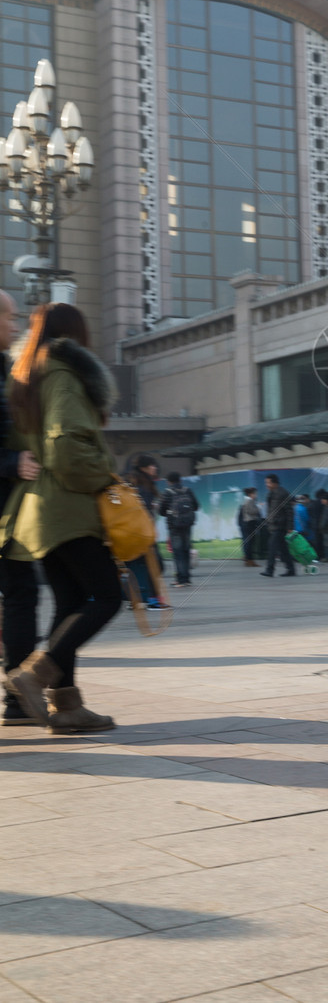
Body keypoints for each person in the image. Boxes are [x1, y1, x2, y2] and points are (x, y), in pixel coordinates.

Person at [2, 302, 120, 732]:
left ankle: (67, 707)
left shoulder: (25, 375)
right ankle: (34, 676)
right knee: (108, 596)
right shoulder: (63, 374)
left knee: (69, 604)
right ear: (74, 334)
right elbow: (65, 448)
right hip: (65, 506)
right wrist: (104, 476)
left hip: (36, 512)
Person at [0, 291, 41, 726]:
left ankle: (18, 698)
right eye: (9, 318)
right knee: (20, 594)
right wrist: (13, 462)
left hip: (8, 510)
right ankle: (17, 697)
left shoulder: (6, 369)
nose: (15, 327)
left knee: (21, 592)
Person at [124, 453, 166, 609]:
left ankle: (137, 599)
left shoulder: (130, 482)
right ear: (144, 468)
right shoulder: (144, 485)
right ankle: (152, 599)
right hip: (142, 533)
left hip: (130, 532)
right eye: (152, 465)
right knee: (155, 565)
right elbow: (143, 511)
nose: (155, 468)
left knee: (137, 566)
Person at [158, 471, 199, 588]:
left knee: (178, 553)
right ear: (180, 480)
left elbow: (161, 511)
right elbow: (196, 506)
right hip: (188, 525)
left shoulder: (167, 493)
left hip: (174, 526)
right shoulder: (188, 490)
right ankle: (187, 578)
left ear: (168, 482)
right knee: (186, 551)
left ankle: (180, 580)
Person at [261, 473, 294, 577]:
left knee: (271, 546)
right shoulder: (270, 494)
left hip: (280, 526)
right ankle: (291, 569)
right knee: (284, 550)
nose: (266, 485)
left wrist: (289, 527)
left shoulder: (283, 493)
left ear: (274, 483)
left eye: (268, 482)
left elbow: (289, 511)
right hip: (273, 526)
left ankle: (269, 570)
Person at [239, 486, 262, 567]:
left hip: (248, 524)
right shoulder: (249, 501)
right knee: (250, 543)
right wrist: (259, 508)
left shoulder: (247, 501)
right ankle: (250, 560)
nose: (256, 495)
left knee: (249, 542)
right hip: (249, 523)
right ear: (251, 494)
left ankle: (249, 560)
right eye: (255, 493)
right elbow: (251, 511)